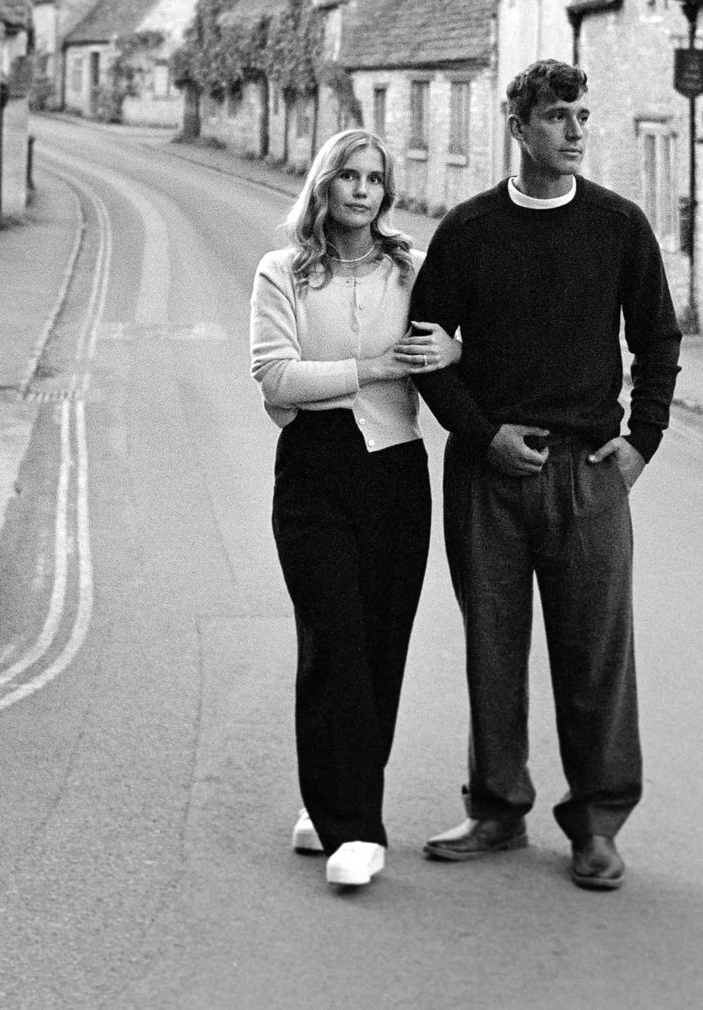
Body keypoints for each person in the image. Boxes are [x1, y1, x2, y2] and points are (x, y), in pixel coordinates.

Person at [407, 59, 681, 892]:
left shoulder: (619, 226)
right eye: (557, 116)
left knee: (596, 654)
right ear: (518, 126)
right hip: (488, 476)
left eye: (583, 116)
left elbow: (659, 340)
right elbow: (425, 347)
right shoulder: (468, 231)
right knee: (493, 648)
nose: (574, 131)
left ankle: (597, 824)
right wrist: (482, 433)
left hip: (589, 473)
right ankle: (497, 808)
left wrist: (642, 442)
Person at [248, 127, 458, 890]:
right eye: (350, 176)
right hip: (313, 470)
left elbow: (456, 346)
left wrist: (454, 355)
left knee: (379, 645)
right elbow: (275, 377)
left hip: (398, 472)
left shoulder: (415, 270)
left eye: (376, 178)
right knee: (332, 638)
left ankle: (331, 797)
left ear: (386, 192)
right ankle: (357, 828)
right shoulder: (283, 273)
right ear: (325, 184)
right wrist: (371, 367)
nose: (363, 190)